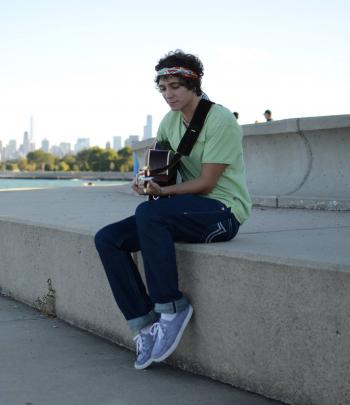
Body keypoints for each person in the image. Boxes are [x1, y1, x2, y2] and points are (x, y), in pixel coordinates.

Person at [94, 50, 251, 370]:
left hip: (222, 213)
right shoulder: (170, 121)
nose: (169, 94)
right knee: (108, 238)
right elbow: (158, 169)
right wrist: (145, 180)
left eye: (176, 86)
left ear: (194, 84)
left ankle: (171, 307)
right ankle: (143, 324)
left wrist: (163, 192)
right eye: (163, 88)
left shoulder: (220, 120)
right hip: (185, 211)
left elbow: (206, 183)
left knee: (149, 214)